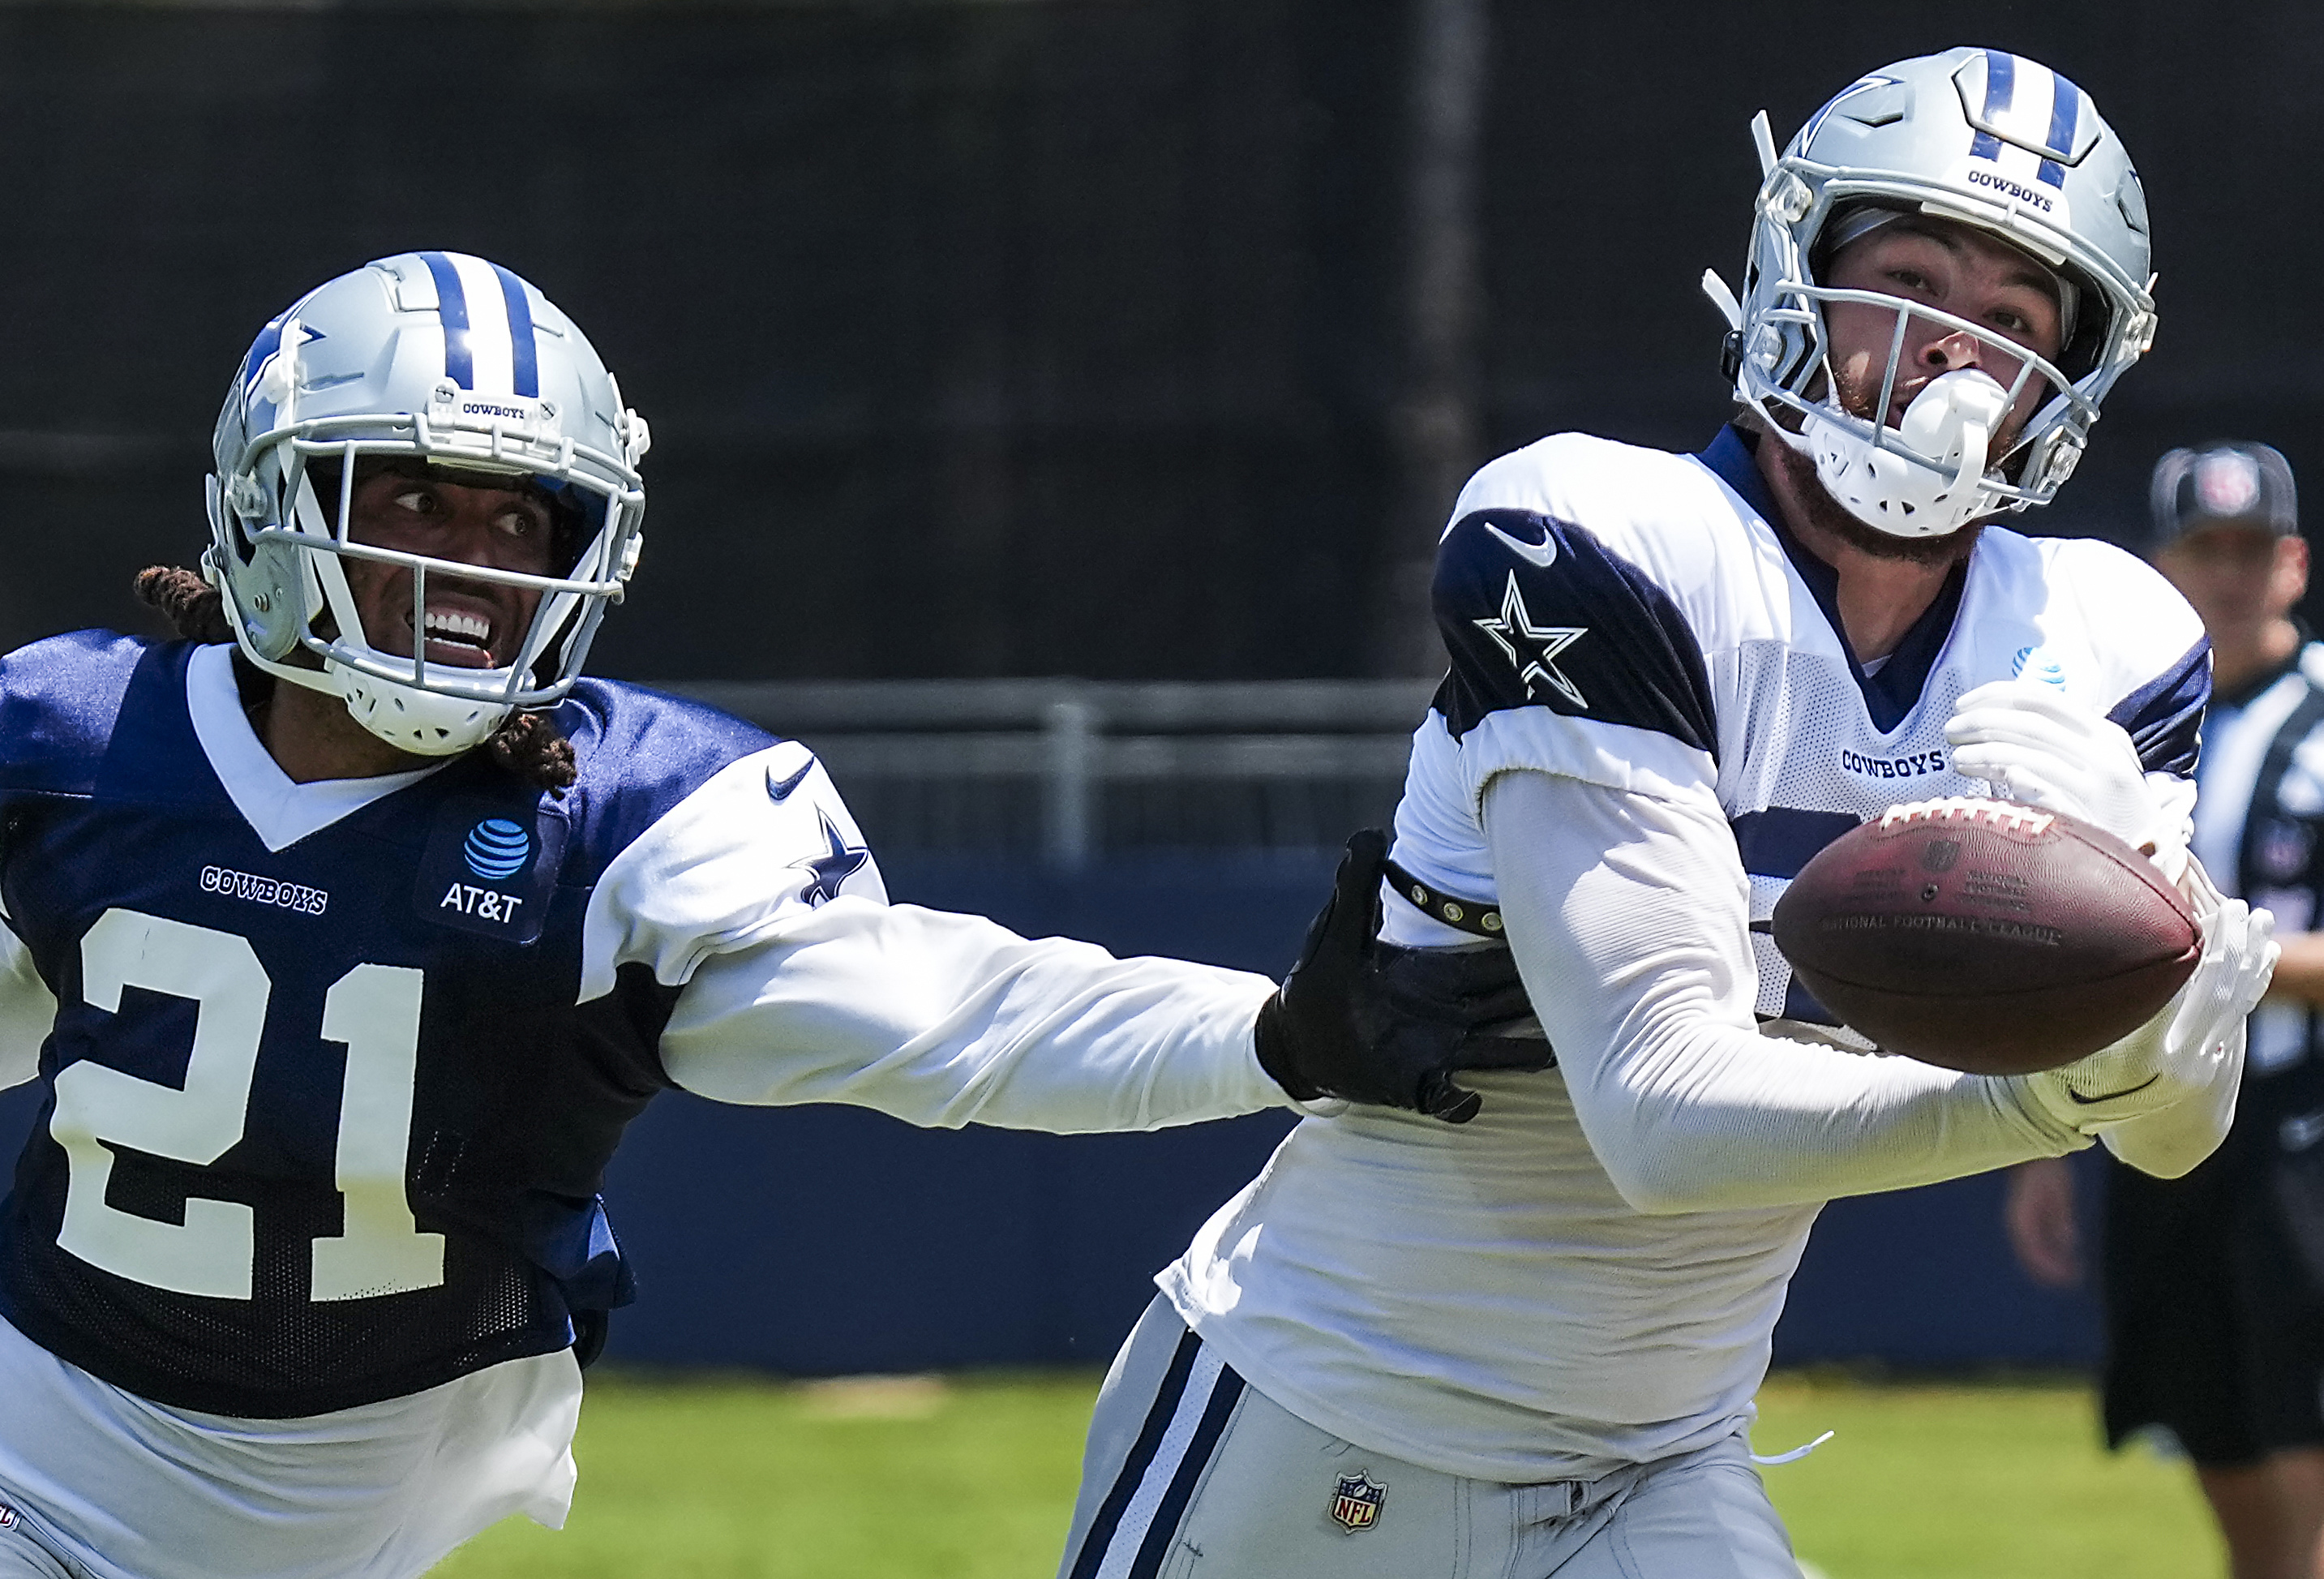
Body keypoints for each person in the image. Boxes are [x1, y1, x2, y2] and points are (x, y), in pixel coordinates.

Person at [0, 251, 1537, 1579]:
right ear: (270, 504)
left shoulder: (621, 826)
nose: (464, 567)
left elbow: (957, 1020)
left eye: (518, 523)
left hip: (361, 1523)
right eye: (410, 497)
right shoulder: (77, 748)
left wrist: (1269, 1035)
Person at [1056, 48, 2281, 1578]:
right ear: (1796, 272)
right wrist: (2040, 1097)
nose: (1945, 360)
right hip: (1332, 1418)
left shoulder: (2100, 641)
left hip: (1657, 1462)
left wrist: (2156, 990)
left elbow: (2168, 1139)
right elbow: (1658, 1113)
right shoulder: (1600, 538)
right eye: (1903, 279)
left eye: (2010, 322)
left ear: (2069, 378)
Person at [2006, 441, 2324, 1579]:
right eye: (2204, 551)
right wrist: (2041, 1138)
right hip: (2155, 1133)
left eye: (2250, 551)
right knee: (2217, 1440)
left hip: (2302, 1132)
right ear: (2162, 566)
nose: (2228, 577)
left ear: (2291, 564)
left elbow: (2172, 951)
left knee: (2302, 1451)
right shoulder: (2119, 731)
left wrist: (2222, 960)